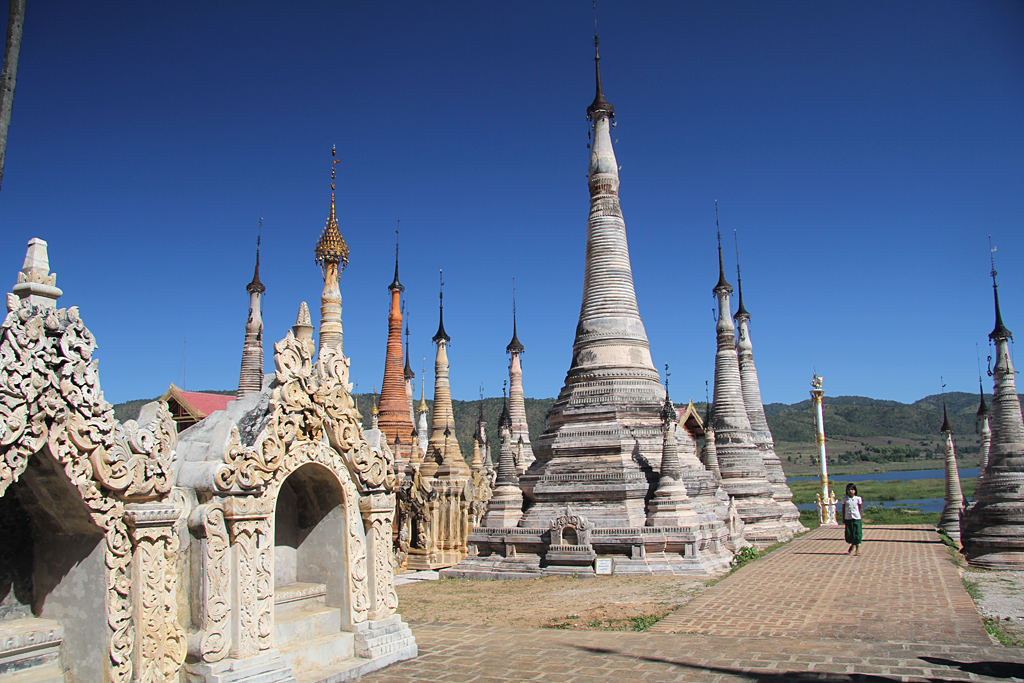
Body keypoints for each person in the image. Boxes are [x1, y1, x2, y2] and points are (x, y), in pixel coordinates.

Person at [841, 483, 863, 555]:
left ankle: (857, 548)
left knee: (857, 532)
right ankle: (852, 544)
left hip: (856, 517)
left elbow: (860, 507)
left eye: (852, 490)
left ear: (855, 491)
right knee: (850, 532)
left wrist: (858, 514)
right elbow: (843, 508)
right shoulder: (845, 499)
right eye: (849, 490)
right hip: (848, 517)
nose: (851, 491)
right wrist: (843, 517)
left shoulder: (858, 498)